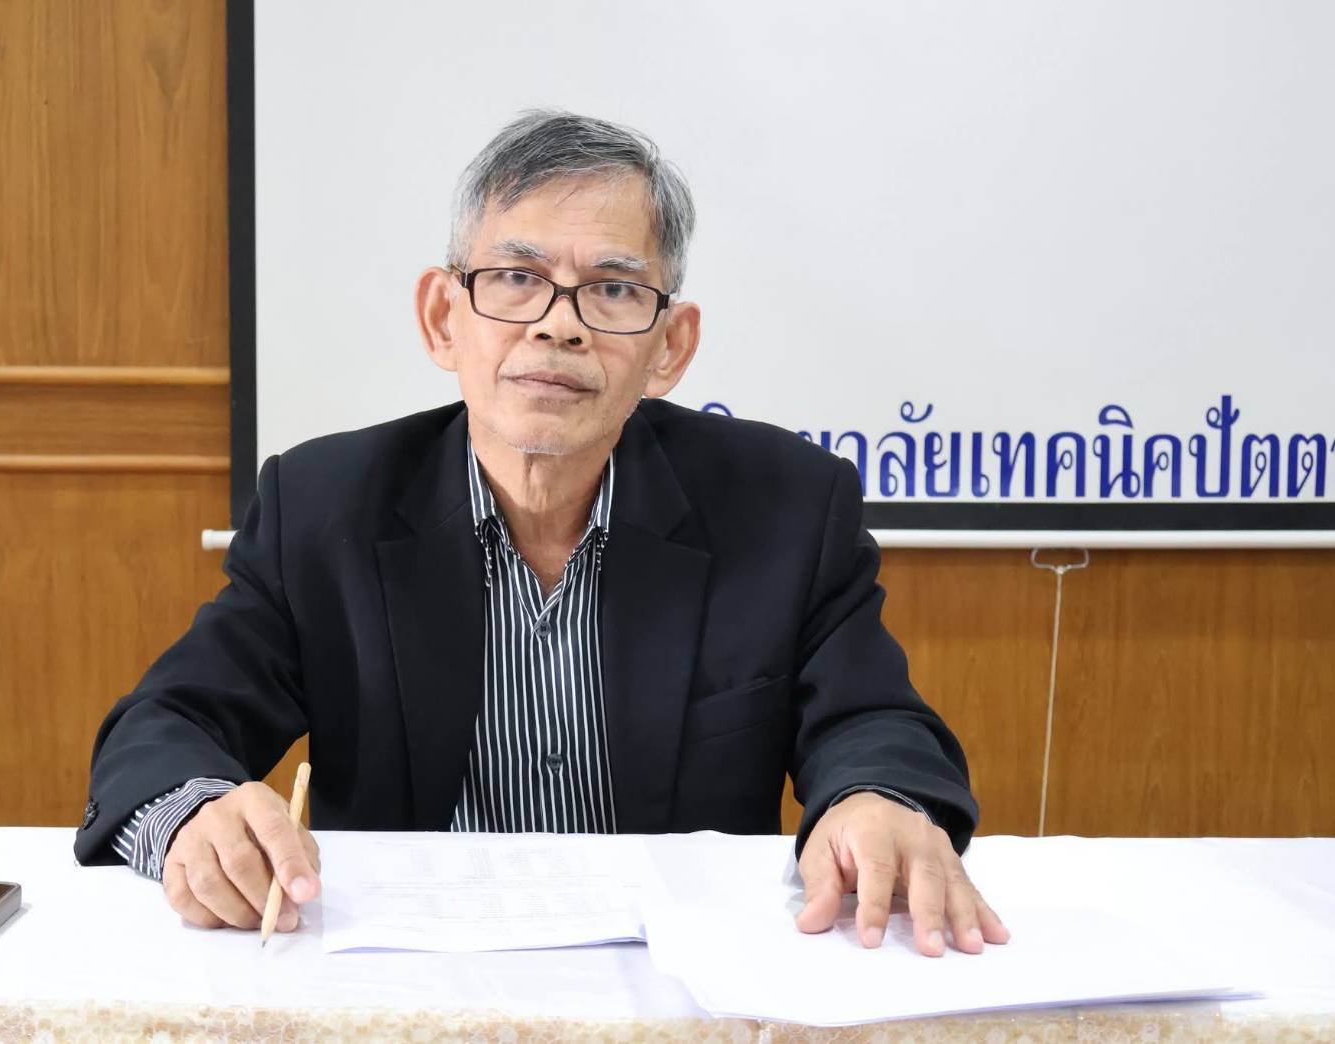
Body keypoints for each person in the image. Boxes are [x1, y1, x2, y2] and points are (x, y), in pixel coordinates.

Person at [75, 110, 1009, 958]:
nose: (559, 327)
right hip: (409, 974)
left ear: (670, 347)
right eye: (517, 279)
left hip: (681, 976)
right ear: (443, 319)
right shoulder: (323, 508)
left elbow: (873, 720)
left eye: (613, 289)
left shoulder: (785, 506)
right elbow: (166, 725)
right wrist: (195, 815)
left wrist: (874, 799)